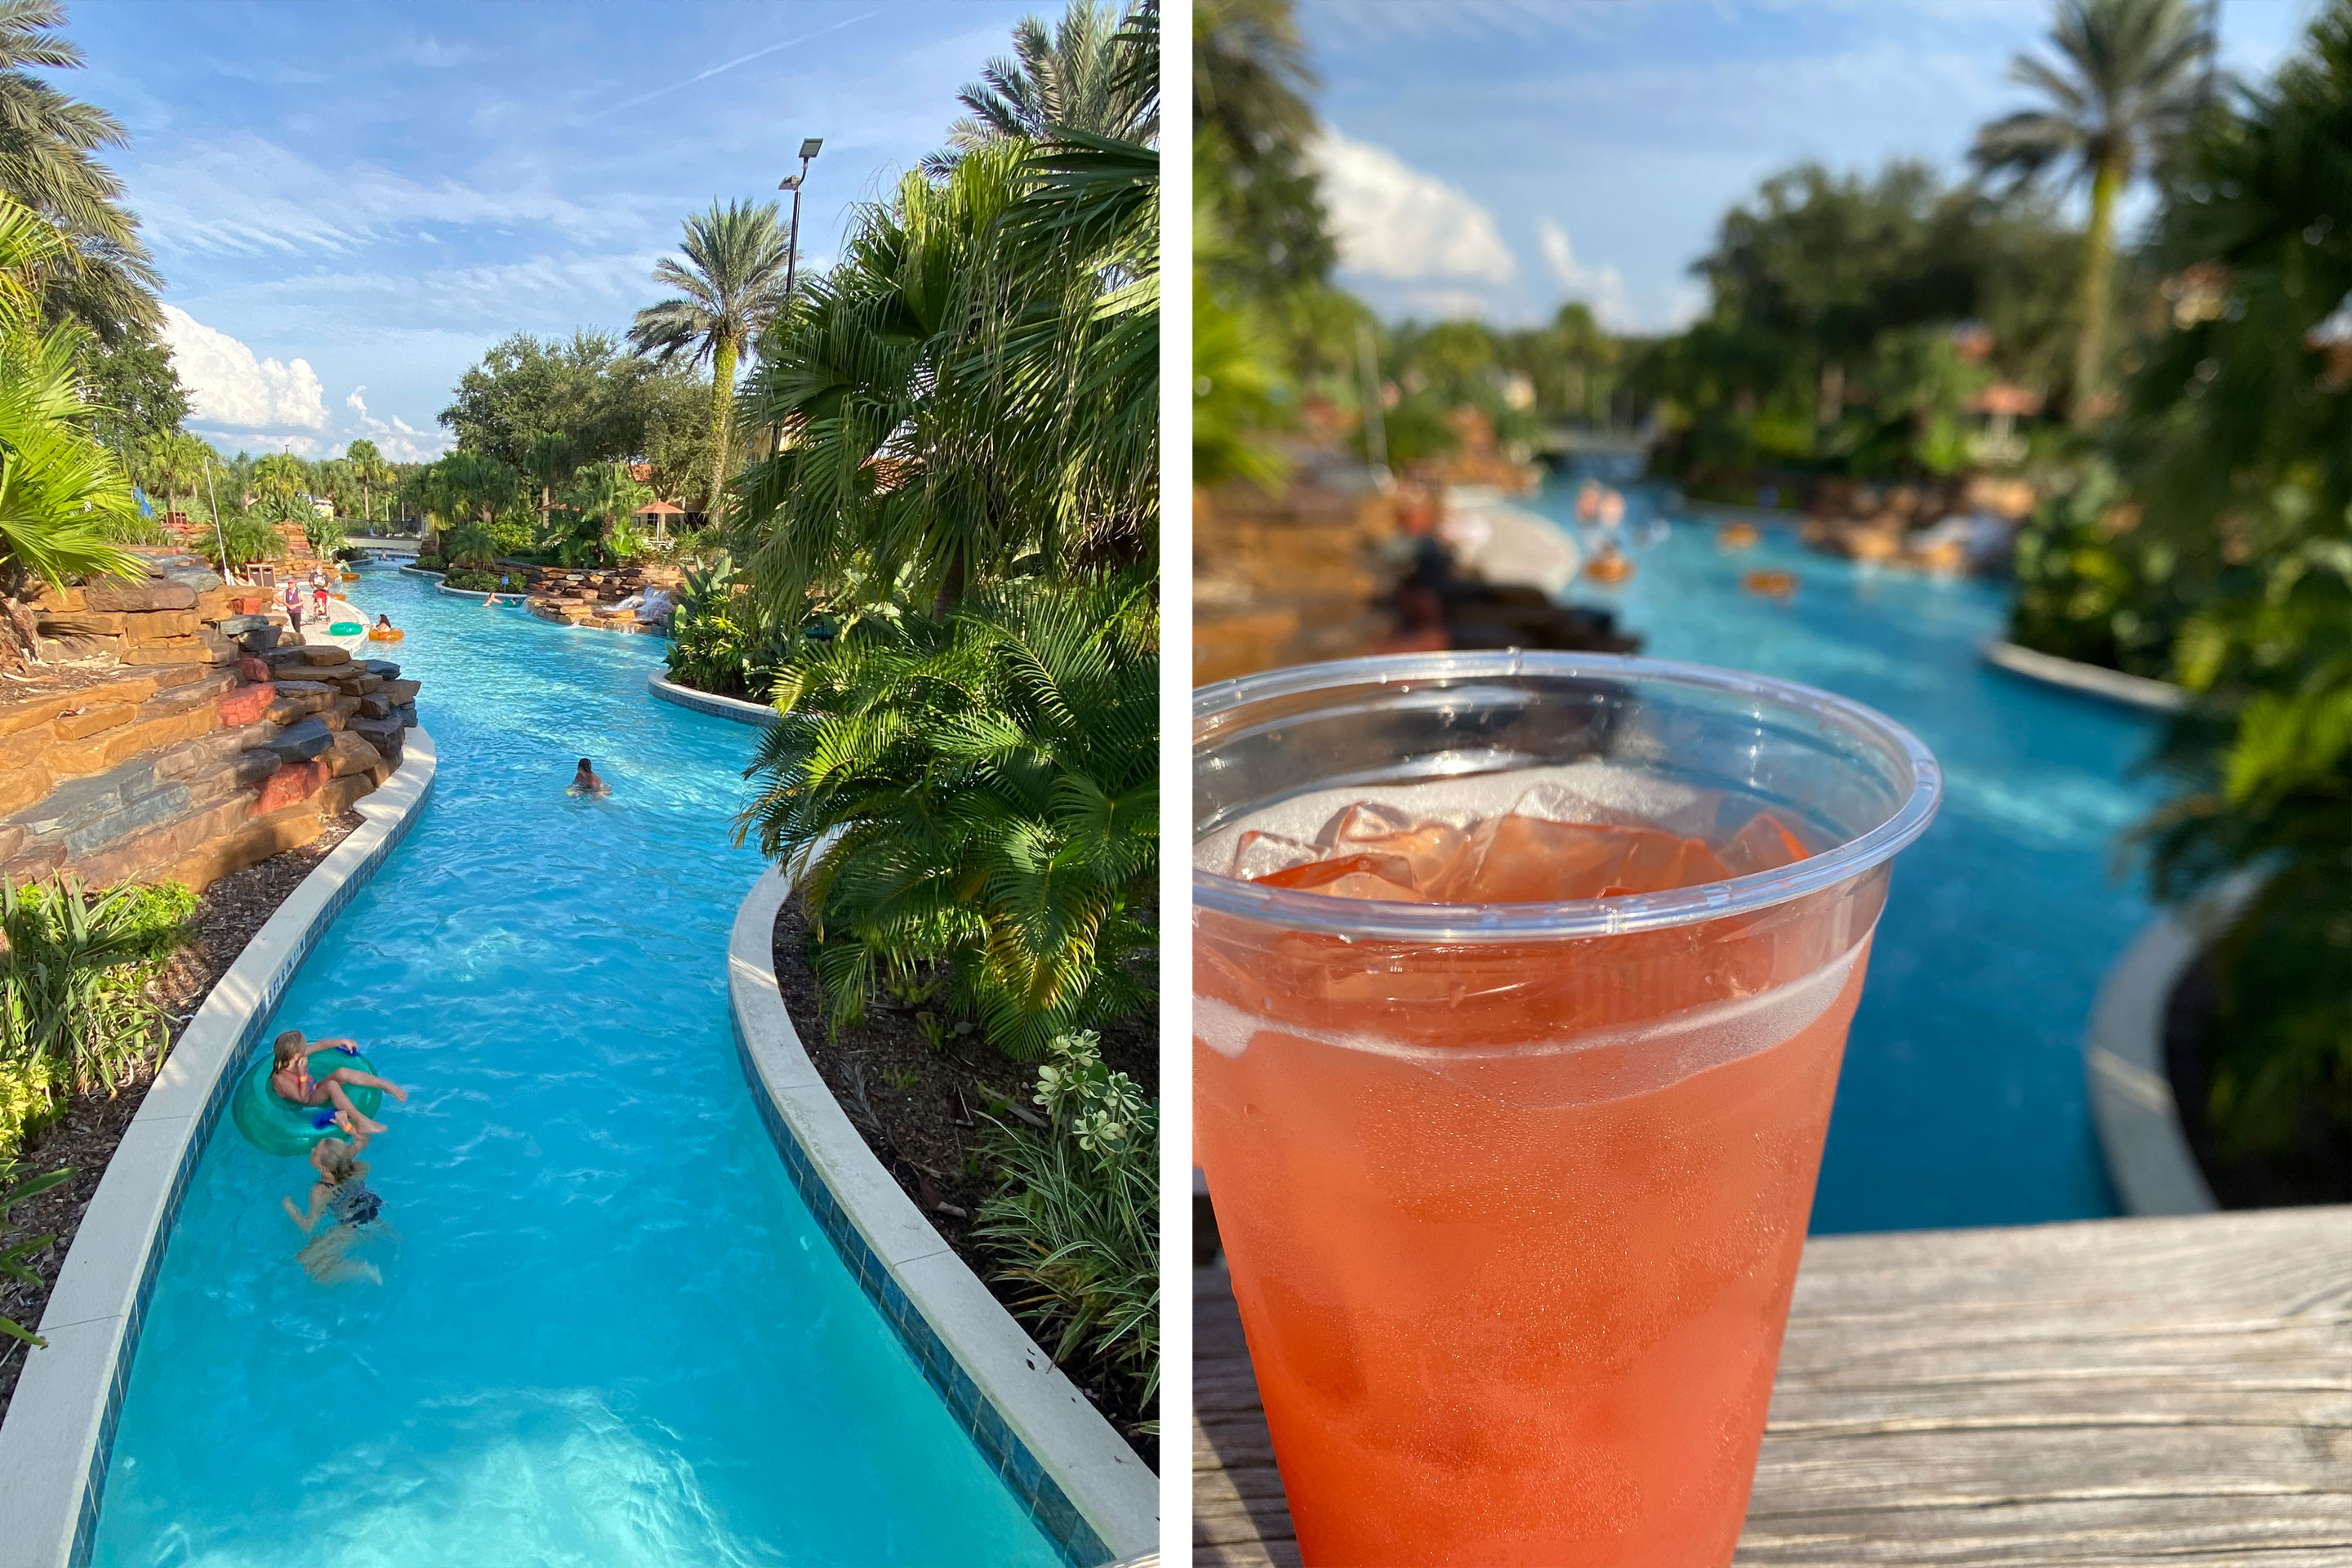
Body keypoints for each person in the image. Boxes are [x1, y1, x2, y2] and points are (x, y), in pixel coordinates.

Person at [282, 1138, 385, 1285]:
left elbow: (308, 1227)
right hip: (374, 1213)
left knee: (305, 1263)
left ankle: (361, 1270)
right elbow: (363, 1139)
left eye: (316, 1152)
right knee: (316, 1251)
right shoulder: (346, 1162)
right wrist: (346, 1125)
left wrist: (291, 1209)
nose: (312, 1150)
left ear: (323, 1167)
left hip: (352, 1228)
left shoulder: (320, 1191)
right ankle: (338, 1263)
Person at [270, 1030, 404, 1142]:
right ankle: (360, 1121)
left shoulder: (297, 1057)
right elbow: (303, 1099)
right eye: (303, 1046)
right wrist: (302, 1073)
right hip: (307, 1101)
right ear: (295, 1054)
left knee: (342, 1072)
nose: (306, 1048)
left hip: (313, 1088)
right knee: (332, 1085)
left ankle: (385, 1085)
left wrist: (342, 1041)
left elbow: (320, 1046)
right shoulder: (280, 1078)